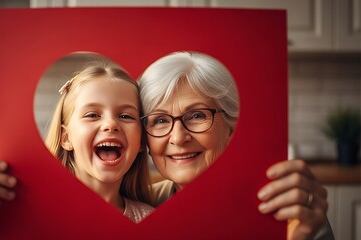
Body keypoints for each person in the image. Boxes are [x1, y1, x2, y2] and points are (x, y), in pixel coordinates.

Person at [138, 51, 334, 240]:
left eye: (197, 115)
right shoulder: (139, 205)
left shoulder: (287, 205)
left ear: (231, 127)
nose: (178, 138)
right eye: (160, 120)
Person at [0, 61, 154, 239]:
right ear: (66, 138)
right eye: (92, 115)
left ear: (141, 143)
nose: (111, 124)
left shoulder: (149, 220)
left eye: (126, 116)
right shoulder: (29, 215)